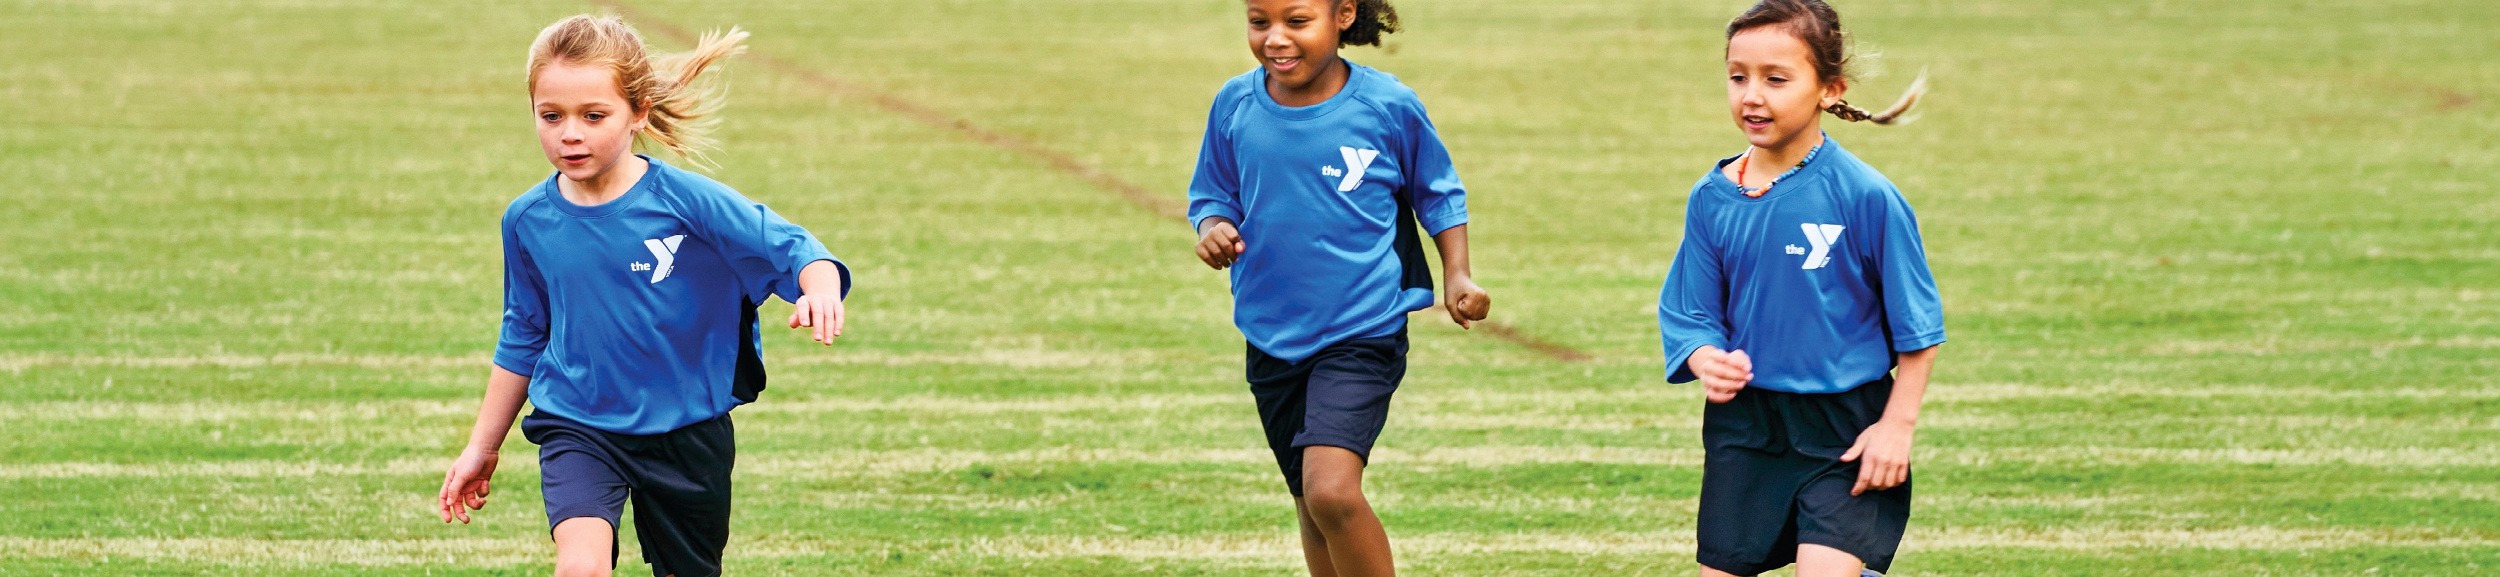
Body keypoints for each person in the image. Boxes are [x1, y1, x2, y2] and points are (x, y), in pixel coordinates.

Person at [434, 15, 852, 577]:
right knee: (580, 566)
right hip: (577, 423)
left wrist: (819, 289)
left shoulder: (686, 203)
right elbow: (524, 334)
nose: (570, 134)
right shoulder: (527, 219)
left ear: (638, 114)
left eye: (593, 116)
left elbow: (795, 248)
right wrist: (482, 447)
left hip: (686, 430)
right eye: (550, 116)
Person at [1186, 1, 1490, 575]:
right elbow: (1211, 192)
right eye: (1259, 22)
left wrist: (1457, 273)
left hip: (1361, 328)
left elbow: (1438, 192)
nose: (1276, 39)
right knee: (1309, 499)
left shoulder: (1386, 105)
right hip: (1271, 331)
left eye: (1296, 22)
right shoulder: (1235, 103)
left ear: (1344, 15)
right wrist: (1213, 226)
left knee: (1331, 492)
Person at [1656, 1, 1942, 575]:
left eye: (1776, 79)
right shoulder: (1711, 196)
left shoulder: (1865, 195)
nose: (1752, 96)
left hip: (1847, 431)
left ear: (1829, 90)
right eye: (1738, 77)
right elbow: (1691, 311)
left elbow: (1919, 328)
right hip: (1747, 428)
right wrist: (1706, 356)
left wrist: (1896, 428)